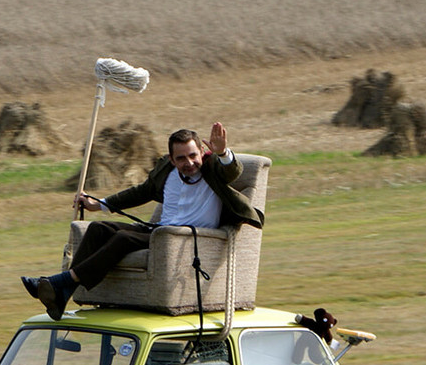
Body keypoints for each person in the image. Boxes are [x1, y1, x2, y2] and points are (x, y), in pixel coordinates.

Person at [21, 122, 263, 320]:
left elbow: (232, 172)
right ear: (171, 159)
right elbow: (140, 192)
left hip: (185, 238)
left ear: (202, 152)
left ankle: (61, 281)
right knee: (98, 229)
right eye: (181, 158)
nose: (188, 163)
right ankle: (64, 293)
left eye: (193, 155)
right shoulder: (166, 172)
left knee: (123, 238)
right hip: (157, 231)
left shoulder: (213, 169)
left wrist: (222, 153)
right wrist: (100, 203)